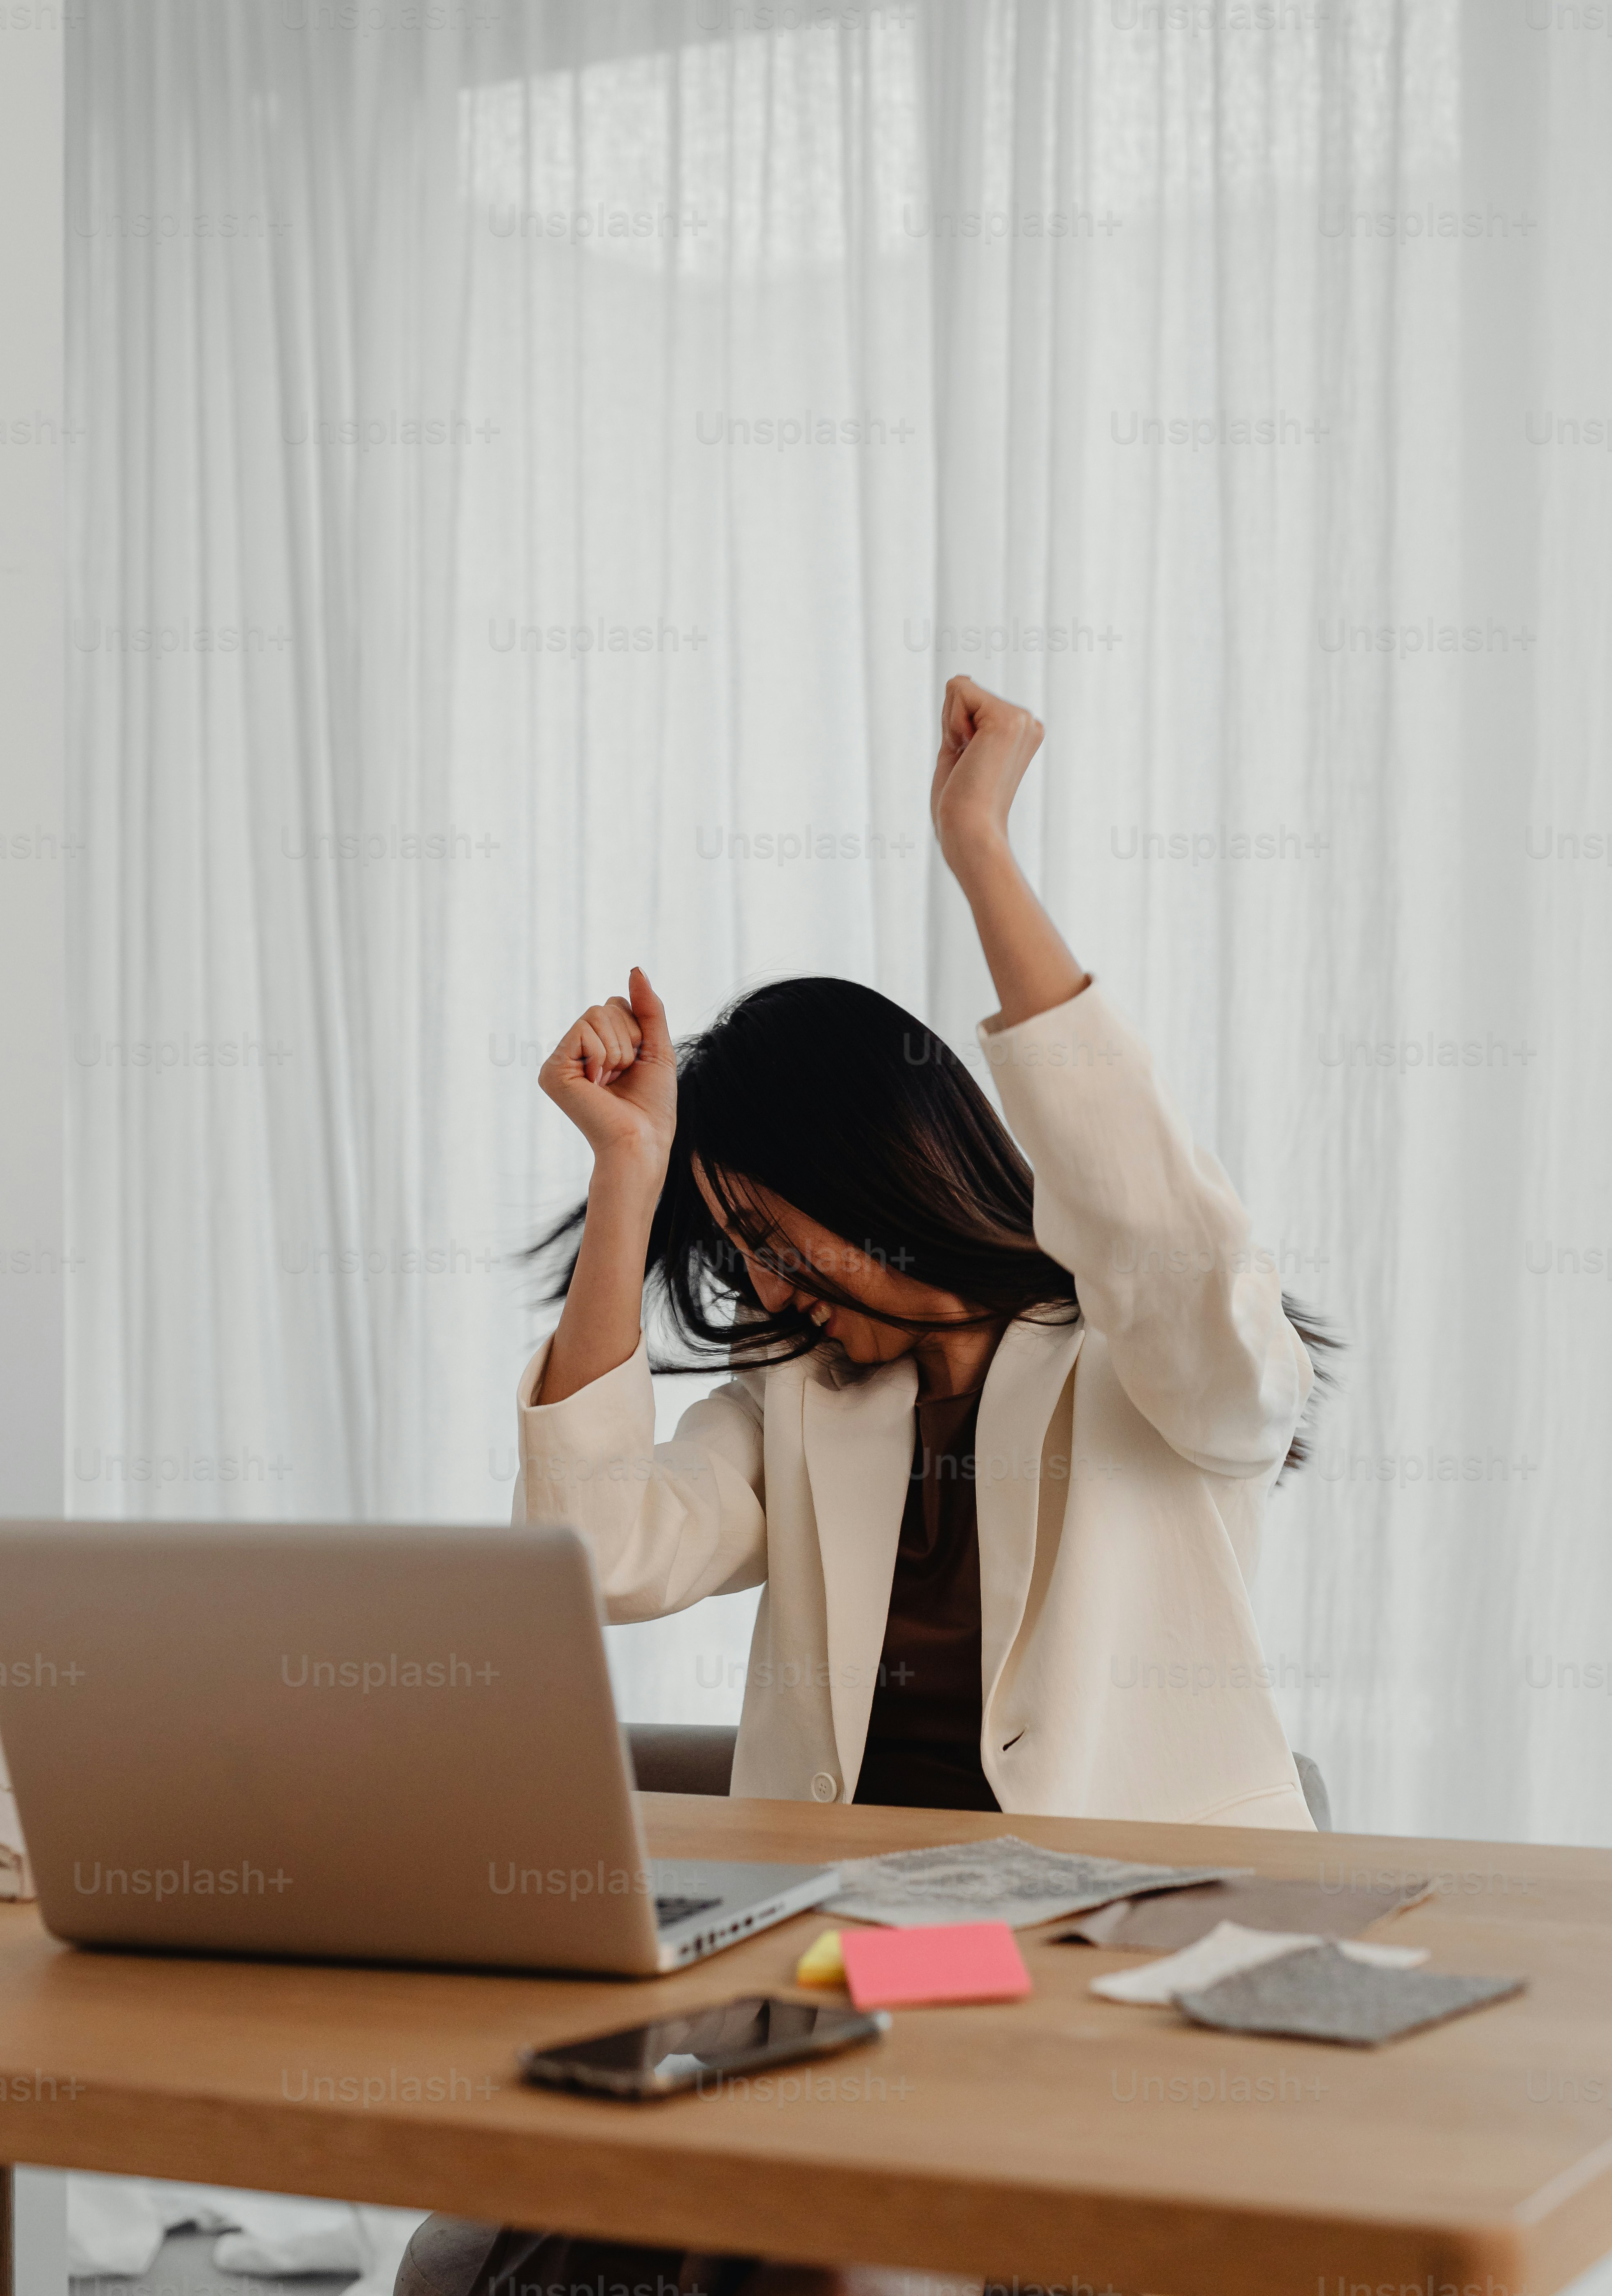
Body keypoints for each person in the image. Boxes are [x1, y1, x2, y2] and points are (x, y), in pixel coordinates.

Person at [429, 677, 1327, 2296]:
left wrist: (979, 852)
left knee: (852, 2254)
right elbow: (593, 1560)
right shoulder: (803, 1400)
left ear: (882, 1170)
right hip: (852, 1966)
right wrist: (629, 1180)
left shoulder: (1149, 1365)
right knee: (583, 2218)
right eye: (741, 1251)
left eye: (778, 1235)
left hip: (1113, 1962)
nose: (765, 1291)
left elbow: (1160, 1237)